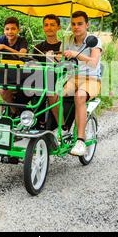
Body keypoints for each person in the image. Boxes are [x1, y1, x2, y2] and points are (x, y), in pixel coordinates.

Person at [48, 11, 102, 156]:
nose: (76, 27)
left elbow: (94, 62)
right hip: (73, 78)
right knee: (52, 94)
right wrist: (55, 57)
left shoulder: (94, 40)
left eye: (80, 24)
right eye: (73, 24)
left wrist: (76, 54)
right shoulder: (68, 40)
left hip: (92, 79)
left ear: (87, 25)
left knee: (80, 96)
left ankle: (81, 141)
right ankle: (64, 128)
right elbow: (62, 62)